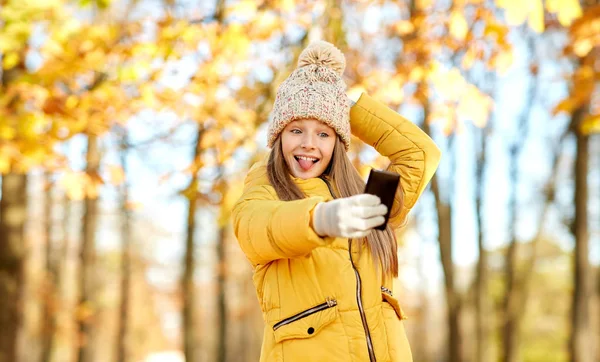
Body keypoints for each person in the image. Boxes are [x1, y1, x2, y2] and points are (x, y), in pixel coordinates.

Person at [232, 41, 441, 362]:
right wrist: (321, 220)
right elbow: (257, 227)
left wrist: (350, 108)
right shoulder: (265, 186)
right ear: (278, 137)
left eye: (324, 134)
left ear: (338, 143)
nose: (309, 144)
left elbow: (419, 154)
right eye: (296, 130)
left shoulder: (366, 201)